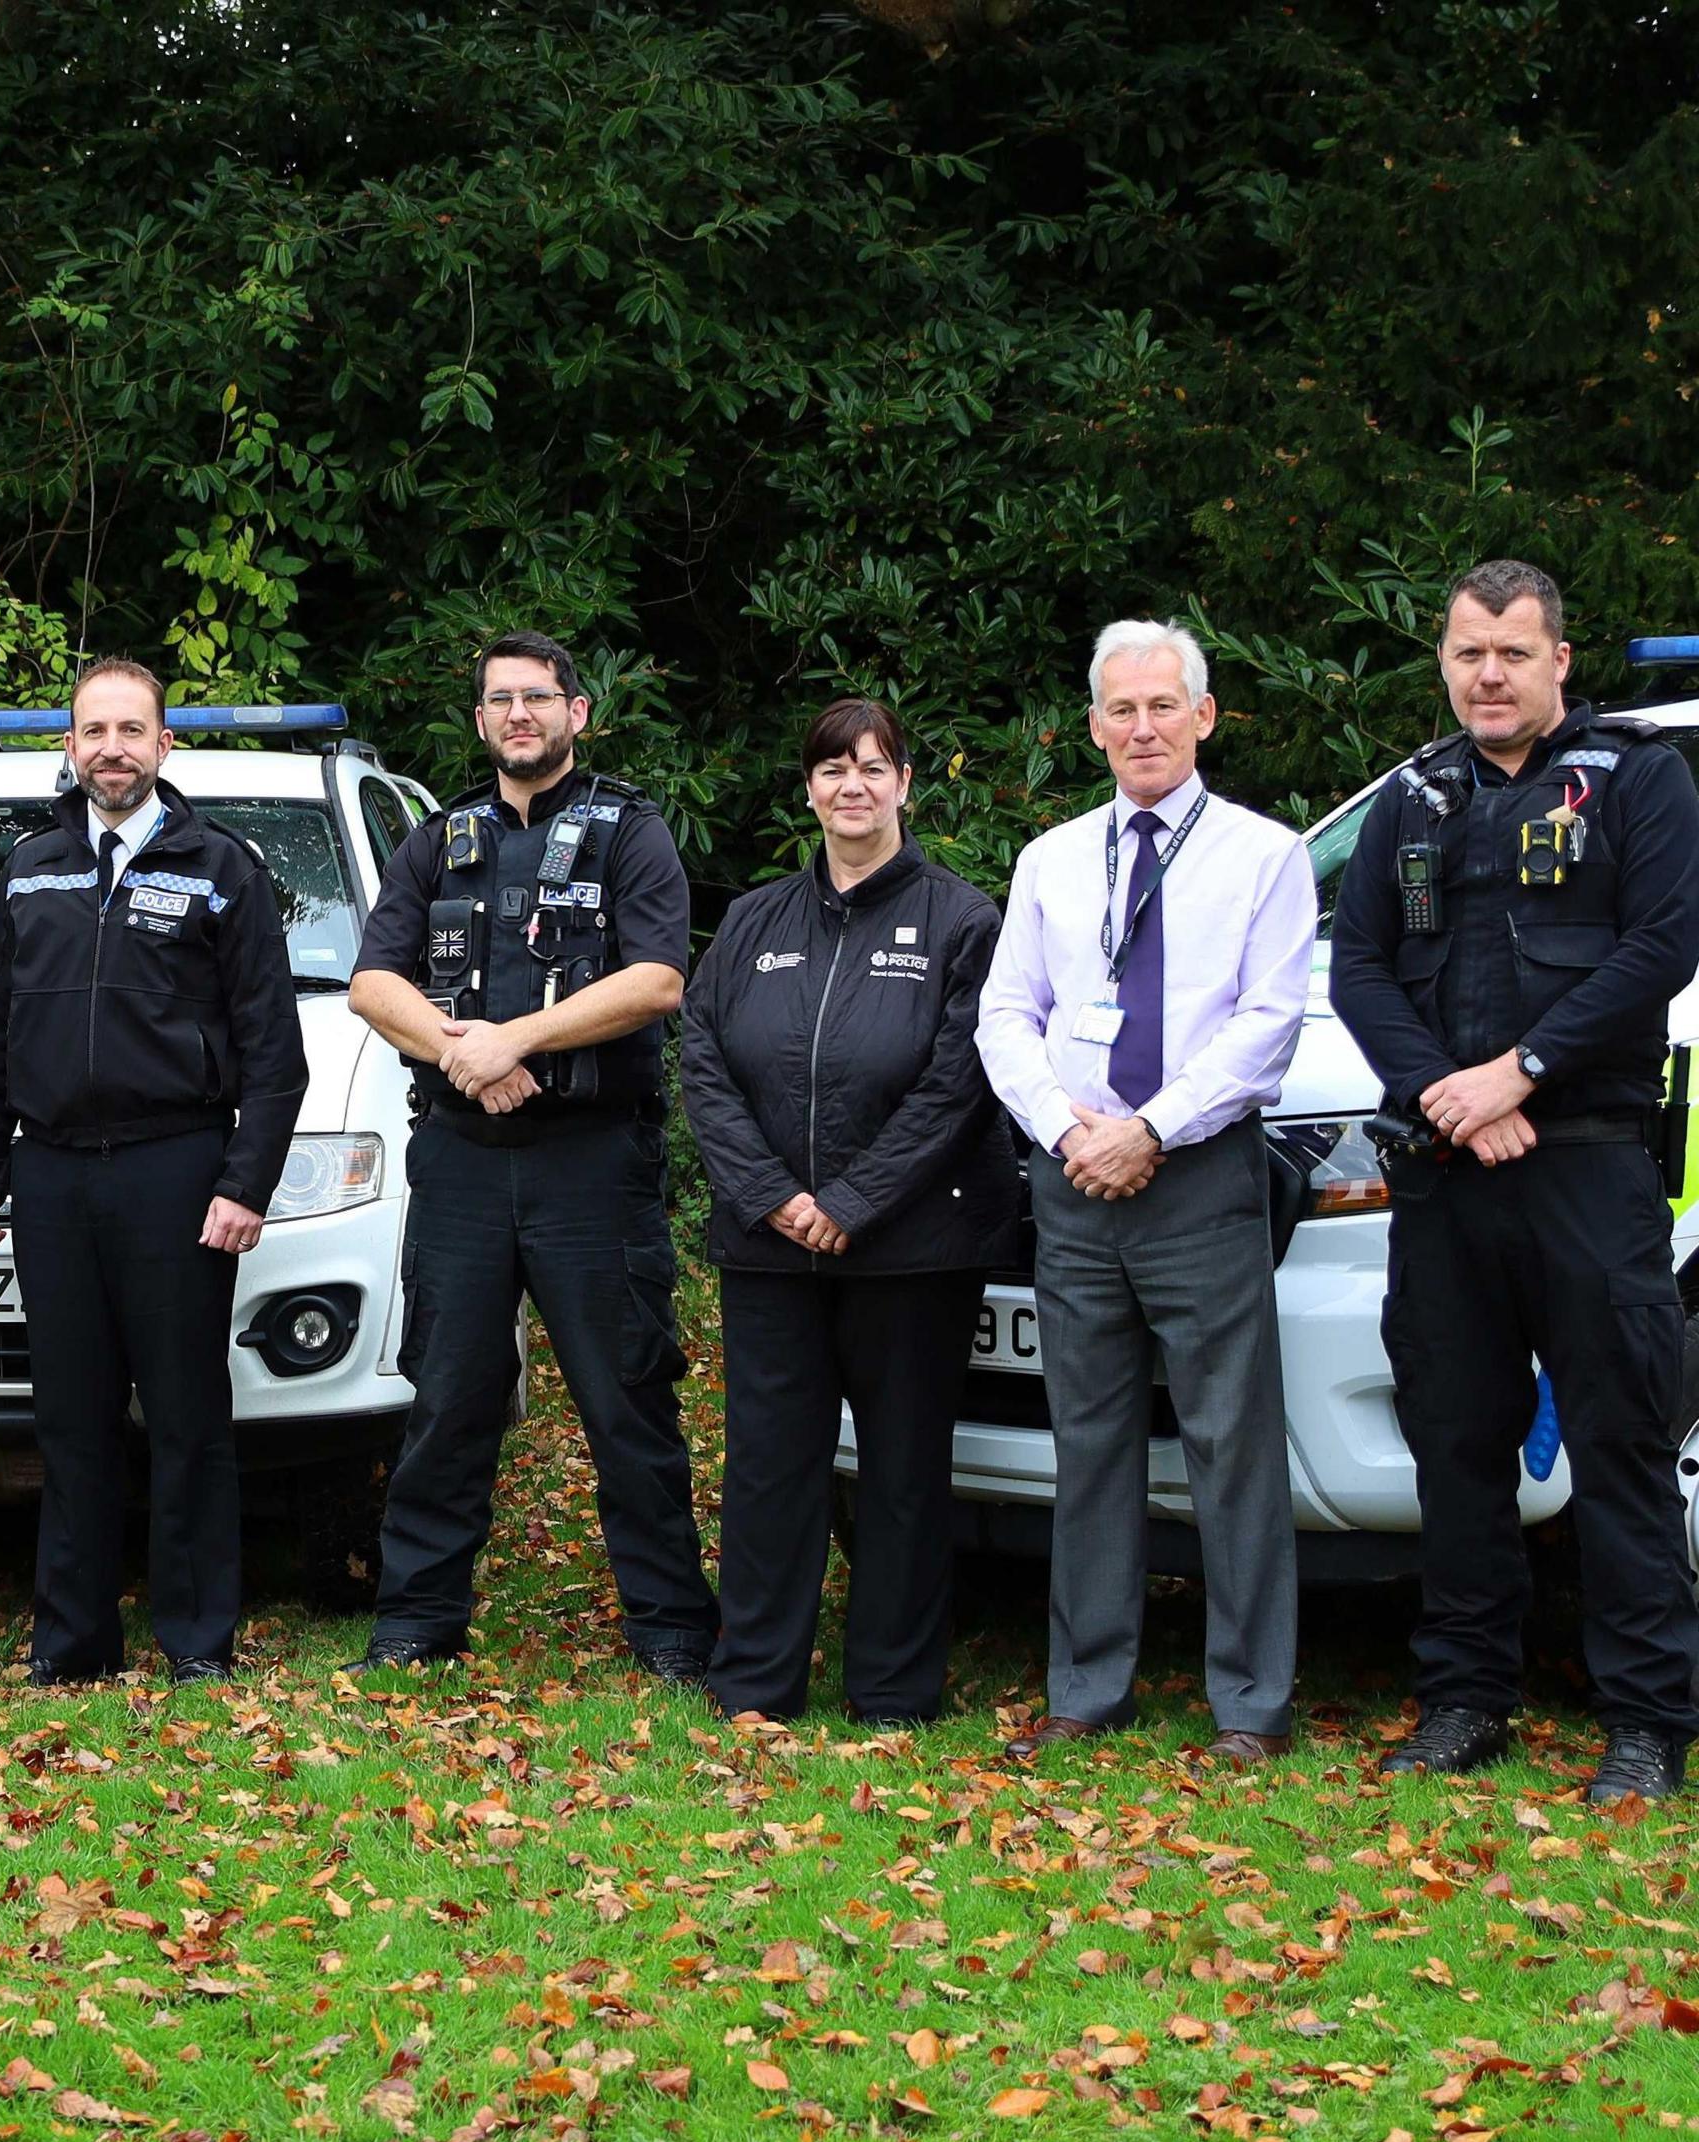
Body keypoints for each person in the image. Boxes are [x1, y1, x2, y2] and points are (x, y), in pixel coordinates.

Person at [1330, 560, 1699, 1802]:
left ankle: (1648, 1720)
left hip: (1587, 1162)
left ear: (1560, 662)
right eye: (1468, 652)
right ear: (1444, 660)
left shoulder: (1641, 780)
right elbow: (1360, 968)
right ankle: (1466, 1697)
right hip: (1446, 1169)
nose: (1488, 673)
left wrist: (1521, 1073)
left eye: (1513, 652)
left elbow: (1660, 945)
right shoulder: (1413, 796)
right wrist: (1452, 1091)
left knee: (1622, 1441)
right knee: (1459, 1441)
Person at [343, 631, 716, 1683]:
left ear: (577, 712)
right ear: (480, 720)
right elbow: (375, 983)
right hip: (463, 1157)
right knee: (447, 1393)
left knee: (626, 1394)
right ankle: (418, 1620)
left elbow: (655, 980)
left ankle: (673, 1630)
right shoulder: (438, 838)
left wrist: (521, 1039)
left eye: (538, 698)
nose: (519, 714)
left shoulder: (629, 832)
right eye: (500, 699)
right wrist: (467, 1053)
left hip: (591, 1161)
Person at [978, 620, 1313, 1766]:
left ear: (1204, 716)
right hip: (1073, 1180)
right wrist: (1073, 1128)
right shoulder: (1052, 859)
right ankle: (1086, 1684)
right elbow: (1004, 1015)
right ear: (1092, 728)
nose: (1143, 727)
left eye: (1163, 705)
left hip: (1198, 1178)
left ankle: (1252, 1702)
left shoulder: (1266, 856)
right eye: (1120, 710)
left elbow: (1268, 1029)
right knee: (1093, 1441)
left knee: (1233, 1445)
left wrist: (1150, 1129)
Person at [0, 657, 309, 1687]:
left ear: (164, 744)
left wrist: (245, 1183)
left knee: (188, 1413)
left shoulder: (221, 866)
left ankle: (198, 1639)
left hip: (176, 1169)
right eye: (93, 730)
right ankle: (71, 1641)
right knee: (70, 1416)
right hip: (53, 1173)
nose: (112, 746)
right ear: (70, 746)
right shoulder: (29, 865)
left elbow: (275, 1054)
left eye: (132, 729)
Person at [676, 699, 1016, 1727]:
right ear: (811, 789)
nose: (853, 785)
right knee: (771, 1470)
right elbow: (701, 1058)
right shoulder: (753, 921)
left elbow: (960, 1082)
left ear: (907, 782)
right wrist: (777, 1197)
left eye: (873, 766)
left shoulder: (965, 921)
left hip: (912, 1249)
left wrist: (857, 1201)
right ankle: (756, 1683)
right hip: (771, 1248)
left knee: (905, 1472)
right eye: (833, 769)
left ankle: (895, 1690)